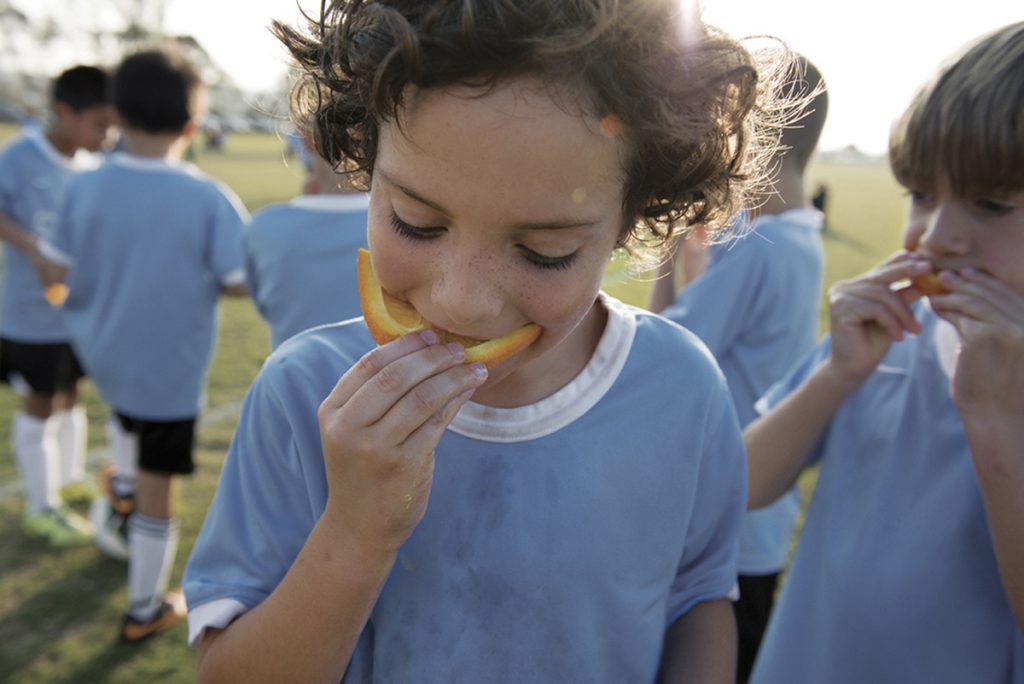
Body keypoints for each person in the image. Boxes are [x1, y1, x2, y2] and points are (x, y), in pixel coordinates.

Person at [182, 1, 795, 681]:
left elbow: (699, 598)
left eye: (543, 251)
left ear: (630, 221)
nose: (460, 302)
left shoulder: (682, 389)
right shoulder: (305, 392)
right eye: (415, 222)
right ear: (365, 162)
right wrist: (355, 532)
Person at [744, 22, 1024, 683]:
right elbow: (746, 482)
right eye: (922, 194)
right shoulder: (899, 325)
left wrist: (994, 420)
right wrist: (837, 375)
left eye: (990, 204)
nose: (936, 235)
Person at [37, 46, 248, 643]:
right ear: (190, 125)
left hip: (105, 356)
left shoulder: (84, 187)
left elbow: (54, 264)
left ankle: (122, 491)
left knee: (124, 421)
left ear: (117, 115)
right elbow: (237, 281)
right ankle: (144, 608)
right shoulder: (207, 197)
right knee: (162, 489)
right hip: (169, 373)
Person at [648, 55, 828, 683]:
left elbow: (669, 346)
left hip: (728, 521)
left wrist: (668, 248)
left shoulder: (758, 248)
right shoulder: (802, 235)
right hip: (762, 519)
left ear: (759, 131)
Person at [0, 64, 112, 546]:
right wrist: (33, 249)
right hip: (29, 316)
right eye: (99, 125)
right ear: (63, 112)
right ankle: (41, 507)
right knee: (39, 403)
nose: (106, 137)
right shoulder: (20, 156)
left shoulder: (91, 166)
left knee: (72, 396)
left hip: (76, 313)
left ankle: (69, 478)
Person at [244, 141, 369, 350]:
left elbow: (263, 301)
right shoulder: (400, 226)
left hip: (293, 376)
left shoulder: (265, 227)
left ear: (306, 142)